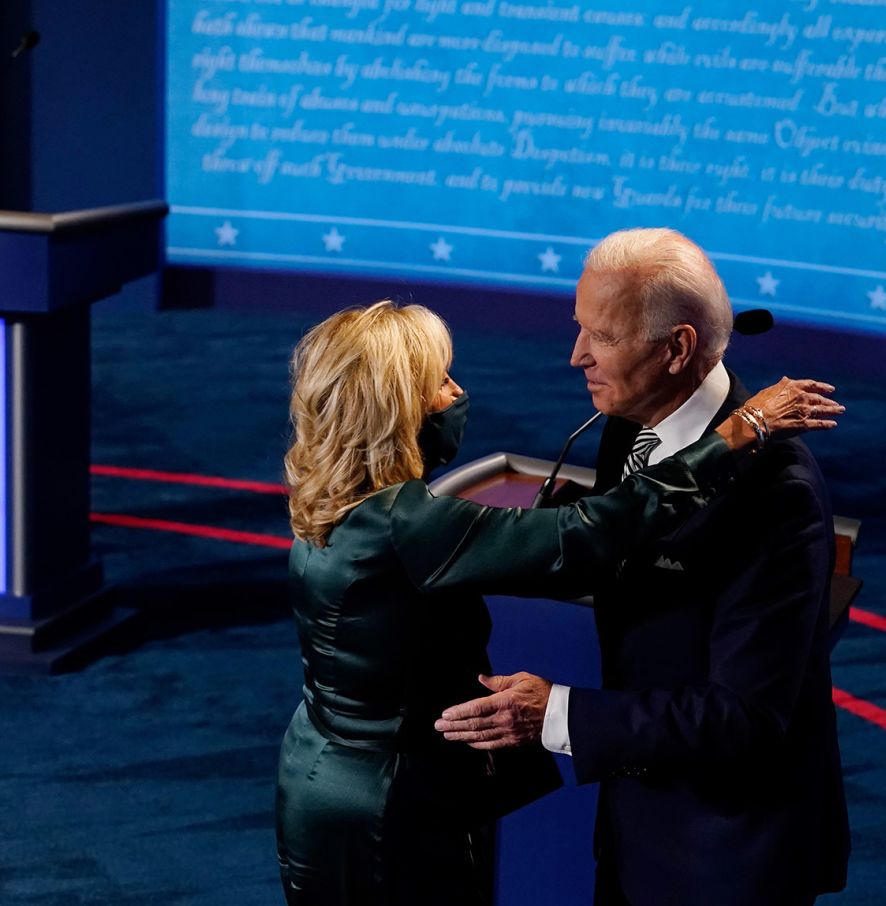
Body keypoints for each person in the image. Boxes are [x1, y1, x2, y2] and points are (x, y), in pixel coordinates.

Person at [275, 300, 840, 906]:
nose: (458, 392)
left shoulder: (340, 490)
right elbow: (592, 533)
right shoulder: (405, 524)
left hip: (328, 773)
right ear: (394, 409)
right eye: (440, 381)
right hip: (381, 812)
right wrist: (738, 430)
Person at [436, 228, 851, 905]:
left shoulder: (777, 497)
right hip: (637, 828)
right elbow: (621, 546)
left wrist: (556, 714)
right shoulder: (634, 419)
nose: (577, 357)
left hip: (726, 854)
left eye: (601, 337)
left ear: (677, 347)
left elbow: (743, 716)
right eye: (580, 329)